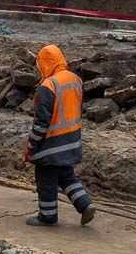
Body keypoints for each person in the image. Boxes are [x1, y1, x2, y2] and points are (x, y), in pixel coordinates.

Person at [23, 44, 95, 227]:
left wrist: (32, 143)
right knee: (65, 174)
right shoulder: (75, 79)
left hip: (51, 143)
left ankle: (47, 216)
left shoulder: (48, 85)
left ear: (45, 64)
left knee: (46, 179)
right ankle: (85, 204)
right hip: (72, 139)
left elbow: (41, 121)